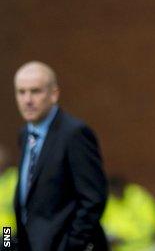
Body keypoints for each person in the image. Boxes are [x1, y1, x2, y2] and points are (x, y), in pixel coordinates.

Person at [13, 61, 108, 251]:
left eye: (35, 91)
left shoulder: (74, 133)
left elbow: (93, 198)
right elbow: (24, 204)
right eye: (21, 92)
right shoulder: (25, 135)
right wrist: (9, 244)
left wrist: (71, 245)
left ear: (54, 94)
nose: (27, 100)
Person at [100, 175, 155, 251]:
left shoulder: (138, 197)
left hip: (146, 248)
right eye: (113, 191)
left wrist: (127, 237)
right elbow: (102, 224)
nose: (116, 193)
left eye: (118, 190)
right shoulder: (107, 201)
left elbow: (152, 224)